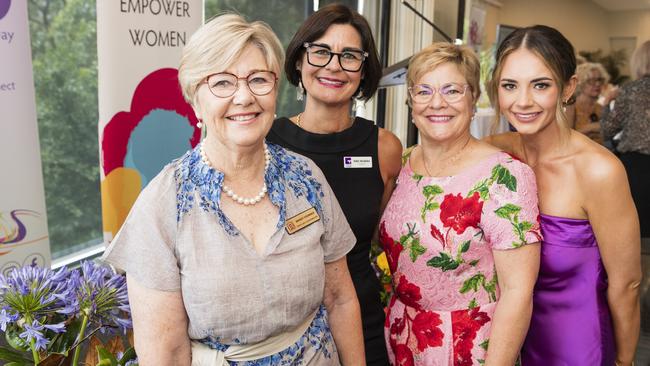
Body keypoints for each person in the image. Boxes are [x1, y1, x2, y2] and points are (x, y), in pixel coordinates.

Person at [101, 14, 366, 365]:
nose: (244, 97)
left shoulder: (306, 178)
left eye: (258, 79)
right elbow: (166, 352)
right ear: (195, 99)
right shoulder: (164, 204)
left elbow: (339, 298)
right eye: (222, 83)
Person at [485, 25, 641, 366]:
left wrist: (624, 361)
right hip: (501, 343)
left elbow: (627, 284)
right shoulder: (493, 154)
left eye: (540, 85)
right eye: (510, 85)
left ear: (568, 87)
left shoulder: (598, 171)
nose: (523, 101)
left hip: (574, 347)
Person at [380, 42, 541, 365]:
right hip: (402, 338)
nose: (436, 103)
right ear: (411, 102)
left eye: (452, 90)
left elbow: (517, 292)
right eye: (423, 91)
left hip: (470, 347)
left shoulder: (505, 176)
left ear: (473, 98)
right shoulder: (406, 164)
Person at [266, 4, 402, 365]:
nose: (334, 66)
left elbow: (379, 236)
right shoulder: (266, 141)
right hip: (284, 332)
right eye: (321, 52)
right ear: (299, 60)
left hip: (361, 325)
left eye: (349, 56)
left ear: (364, 69)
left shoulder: (384, 148)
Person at [602, 40, 650, 238]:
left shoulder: (630, 90)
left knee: (638, 229)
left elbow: (608, 129)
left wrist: (607, 103)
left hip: (637, 166)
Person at [570, 62, 618, 144]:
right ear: (581, 83)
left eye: (600, 80)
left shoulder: (601, 108)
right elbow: (565, 139)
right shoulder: (570, 107)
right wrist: (590, 128)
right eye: (592, 80)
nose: (598, 84)